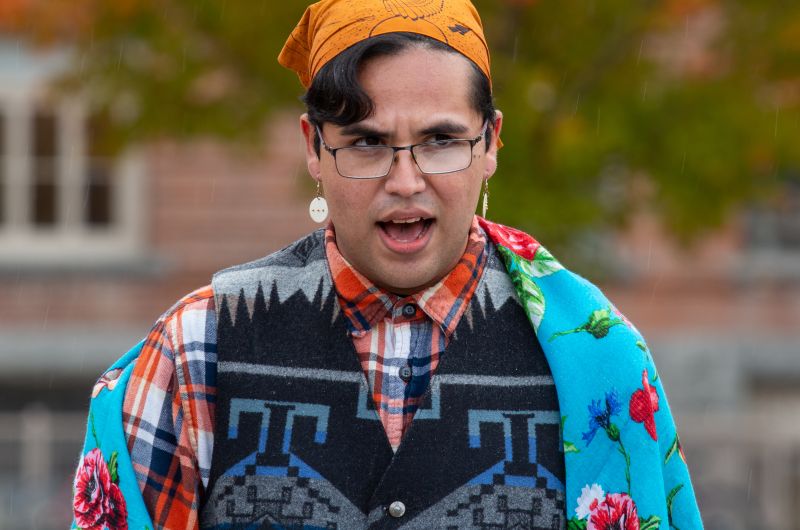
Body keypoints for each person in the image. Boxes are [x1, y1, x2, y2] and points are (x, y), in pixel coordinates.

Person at [71, 1, 703, 529]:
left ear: (492, 143)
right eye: (367, 143)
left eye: (441, 140)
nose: (407, 181)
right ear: (313, 148)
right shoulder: (198, 350)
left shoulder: (598, 361)